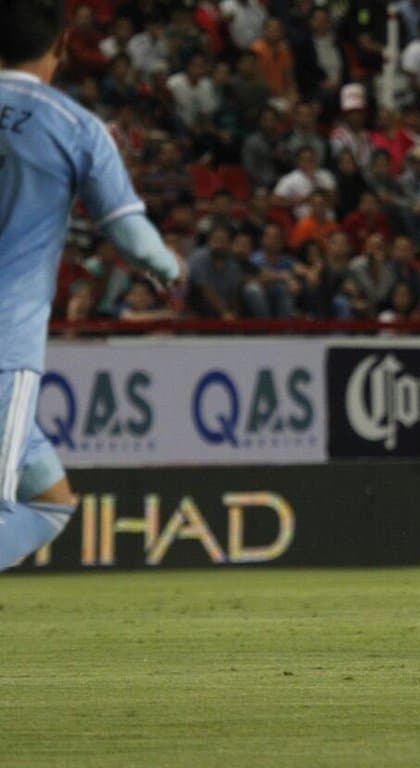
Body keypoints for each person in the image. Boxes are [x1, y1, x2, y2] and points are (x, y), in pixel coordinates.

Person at [0, 0, 181, 571]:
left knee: (50, 502)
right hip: (4, 345)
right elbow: (132, 239)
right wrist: (170, 269)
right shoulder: (73, 126)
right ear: (59, 46)